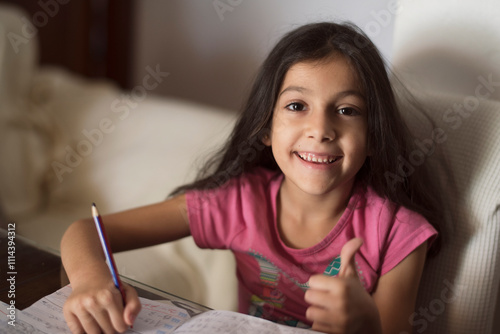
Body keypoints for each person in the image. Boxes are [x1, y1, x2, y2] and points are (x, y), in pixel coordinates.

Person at [61, 22, 441, 334]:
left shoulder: (398, 233)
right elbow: (84, 232)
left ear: (374, 136)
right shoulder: (238, 202)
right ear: (265, 128)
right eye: (296, 106)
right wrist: (92, 283)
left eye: (346, 109)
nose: (320, 129)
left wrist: (365, 324)